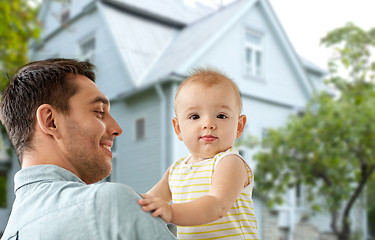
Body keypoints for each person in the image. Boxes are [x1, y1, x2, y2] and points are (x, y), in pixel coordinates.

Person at [0, 58, 176, 240]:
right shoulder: (111, 205)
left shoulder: (12, 233)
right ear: (50, 121)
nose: (117, 129)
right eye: (99, 112)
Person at [138, 67, 258, 239]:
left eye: (221, 116)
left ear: (239, 126)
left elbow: (217, 205)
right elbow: (147, 200)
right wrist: (122, 202)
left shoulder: (230, 162)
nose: (208, 124)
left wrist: (171, 211)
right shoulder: (177, 169)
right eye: (195, 116)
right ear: (178, 128)